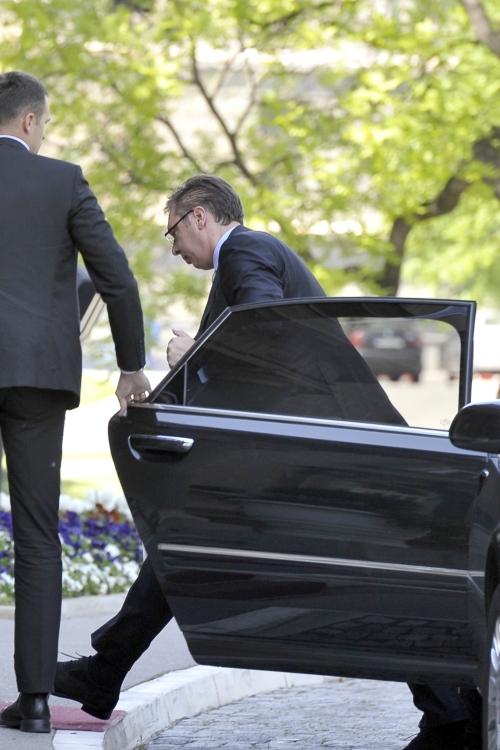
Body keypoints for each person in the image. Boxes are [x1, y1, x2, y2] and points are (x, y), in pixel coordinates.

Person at [53, 175, 474, 750]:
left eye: (173, 232)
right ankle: (104, 671)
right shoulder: (245, 257)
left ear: (199, 216)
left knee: (382, 578)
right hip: (315, 448)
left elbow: (265, 333)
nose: (174, 249)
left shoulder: (245, 251)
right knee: (190, 544)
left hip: (329, 451)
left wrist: (193, 353)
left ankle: (452, 716)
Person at [0, 71, 150, 734]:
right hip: (39, 373)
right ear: (30, 121)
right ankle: (35, 702)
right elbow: (117, 278)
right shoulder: (63, 181)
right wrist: (130, 367)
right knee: (37, 534)